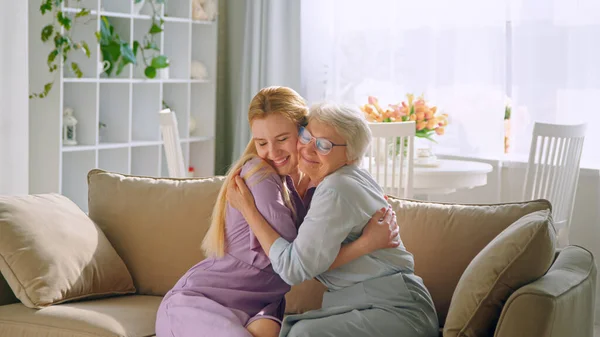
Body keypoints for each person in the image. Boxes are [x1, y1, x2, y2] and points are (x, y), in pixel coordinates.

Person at [155, 87, 399, 337]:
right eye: (261, 143)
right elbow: (295, 260)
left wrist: (367, 203)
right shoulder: (259, 173)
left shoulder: (318, 187)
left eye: (282, 139)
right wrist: (365, 244)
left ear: (304, 132)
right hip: (203, 302)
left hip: (260, 308)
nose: (272, 153)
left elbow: (317, 247)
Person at [227, 101, 440, 337]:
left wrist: (248, 210)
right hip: (377, 304)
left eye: (324, 145)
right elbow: (313, 260)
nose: (308, 150)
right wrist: (364, 245)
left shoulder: (335, 189)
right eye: (306, 136)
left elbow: (293, 268)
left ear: (351, 156)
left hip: (395, 311)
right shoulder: (331, 182)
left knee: (302, 334)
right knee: (292, 331)